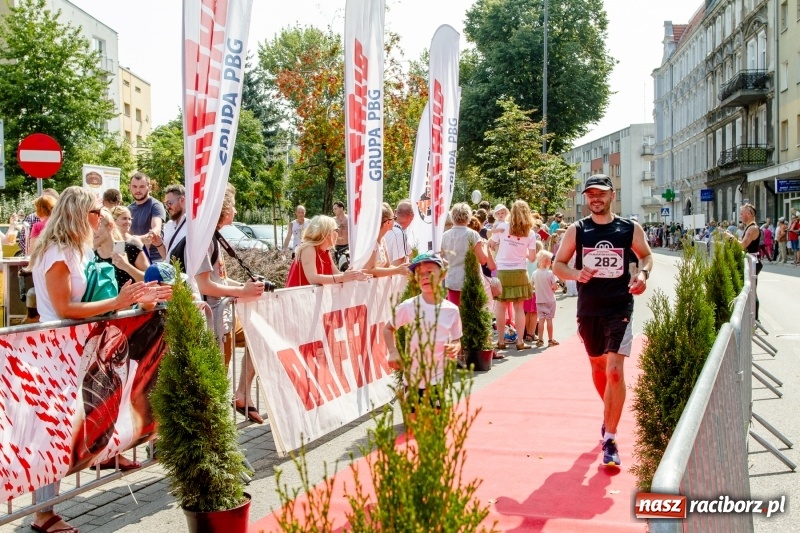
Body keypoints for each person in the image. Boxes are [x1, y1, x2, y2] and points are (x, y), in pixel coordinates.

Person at [28, 187, 166, 533]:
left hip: (74, 351)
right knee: (54, 434)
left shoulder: (77, 250)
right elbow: (64, 309)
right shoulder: (59, 252)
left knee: (65, 431)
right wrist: (116, 302)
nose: (100, 218)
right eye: (95, 212)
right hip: (56, 351)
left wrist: (131, 301)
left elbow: (88, 299)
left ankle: (46, 510)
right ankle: (43, 514)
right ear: (78, 213)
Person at [553, 174, 653, 468]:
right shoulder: (578, 230)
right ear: (586, 198)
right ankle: (609, 411)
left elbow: (646, 255)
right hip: (589, 309)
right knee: (598, 366)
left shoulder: (628, 228)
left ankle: (610, 438)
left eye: (601, 193)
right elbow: (559, 264)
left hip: (619, 306)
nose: (595, 198)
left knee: (614, 373)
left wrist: (643, 274)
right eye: (590, 194)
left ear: (611, 195)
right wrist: (575, 274)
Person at [193, 185, 267, 423]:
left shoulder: (212, 235)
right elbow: (204, 285)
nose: (235, 211)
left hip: (221, 315)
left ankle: (242, 394)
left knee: (260, 336)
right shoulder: (203, 237)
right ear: (223, 208)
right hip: (211, 319)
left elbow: (218, 278)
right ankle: (211, 427)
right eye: (233, 205)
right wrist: (240, 290)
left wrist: (246, 287)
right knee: (215, 378)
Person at [383, 253, 462, 408]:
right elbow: (387, 328)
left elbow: (456, 339)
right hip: (414, 376)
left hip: (439, 374)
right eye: (420, 274)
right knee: (414, 424)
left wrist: (455, 347)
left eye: (430, 272)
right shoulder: (408, 306)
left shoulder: (451, 310)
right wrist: (393, 351)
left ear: (443, 274)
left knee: (436, 423)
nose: (425, 277)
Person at [490, 200, 539, 352]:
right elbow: (532, 258)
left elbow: (491, 243)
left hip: (503, 271)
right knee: (519, 308)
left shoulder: (503, 227)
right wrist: (521, 251)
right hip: (520, 271)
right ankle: (519, 341)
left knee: (500, 306)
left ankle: (500, 341)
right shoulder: (530, 233)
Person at [285, 215, 371, 287]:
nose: (337, 234)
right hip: (298, 301)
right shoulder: (308, 248)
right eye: (335, 230)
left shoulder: (325, 251)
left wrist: (353, 275)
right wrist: (343, 277)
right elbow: (313, 279)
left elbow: (336, 273)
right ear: (325, 232)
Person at [440, 203, 489, 306]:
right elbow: (483, 260)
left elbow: (440, 257)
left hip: (453, 280)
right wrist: (485, 246)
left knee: (455, 314)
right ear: (468, 216)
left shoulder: (445, 236)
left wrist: (450, 263)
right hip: (471, 280)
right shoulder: (472, 234)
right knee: (472, 316)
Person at [93, 209, 150, 286]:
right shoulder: (93, 255)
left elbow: (151, 280)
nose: (92, 232)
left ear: (110, 226)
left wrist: (127, 266)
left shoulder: (130, 248)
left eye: (96, 227)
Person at [363, 203, 410, 277]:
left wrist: (404, 270)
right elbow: (369, 270)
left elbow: (387, 266)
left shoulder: (382, 240)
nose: (395, 221)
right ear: (387, 222)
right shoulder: (372, 242)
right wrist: (397, 270)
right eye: (393, 218)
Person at [128, 173, 166, 261]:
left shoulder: (155, 205)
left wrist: (136, 239)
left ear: (149, 187)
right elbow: (126, 233)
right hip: (135, 257)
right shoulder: (129, 208)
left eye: (141, 186)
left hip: (155, 259)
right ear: (130, 187)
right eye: (134, 186)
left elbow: (156, 229)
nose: (138, 190)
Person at [17, 188, 59, 255]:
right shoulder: (62, 222)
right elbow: (22, 240)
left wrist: (31, 257)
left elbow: (32, 250)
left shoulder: (37, 226)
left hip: (39, 259)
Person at [150, 184, 186, 259]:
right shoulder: (169, 225)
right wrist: (159, 245)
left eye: (169, 203)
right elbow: (167, 258)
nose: (167, 208)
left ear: (182, 200)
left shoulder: (192, 224)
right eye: (165, 204)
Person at [532, 250, 560, 347]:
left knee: (541, 320)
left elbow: (532, 286)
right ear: (548, 262)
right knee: (549, 320)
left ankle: (540, 339)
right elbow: (555, 286)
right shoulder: (550, 274)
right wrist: (555, 287)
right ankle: (550, 339)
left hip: (539, 300)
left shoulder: (535, 273)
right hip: (550, 300)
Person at [383, 199, 414, 265]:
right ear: (412, 216)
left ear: (395, 212)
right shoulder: (399, 234)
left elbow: (412, 255)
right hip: (389, 274)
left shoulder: (382, 229)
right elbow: (399, 267)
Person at [332, 201, 350, 271]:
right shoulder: (333, 220)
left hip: (348, 246)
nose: (334, 211)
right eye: (333, 209)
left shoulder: (349, 219)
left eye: (335, 209)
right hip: (337, 246)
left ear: (341, 208)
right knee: (339, 267)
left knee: (348, 266)